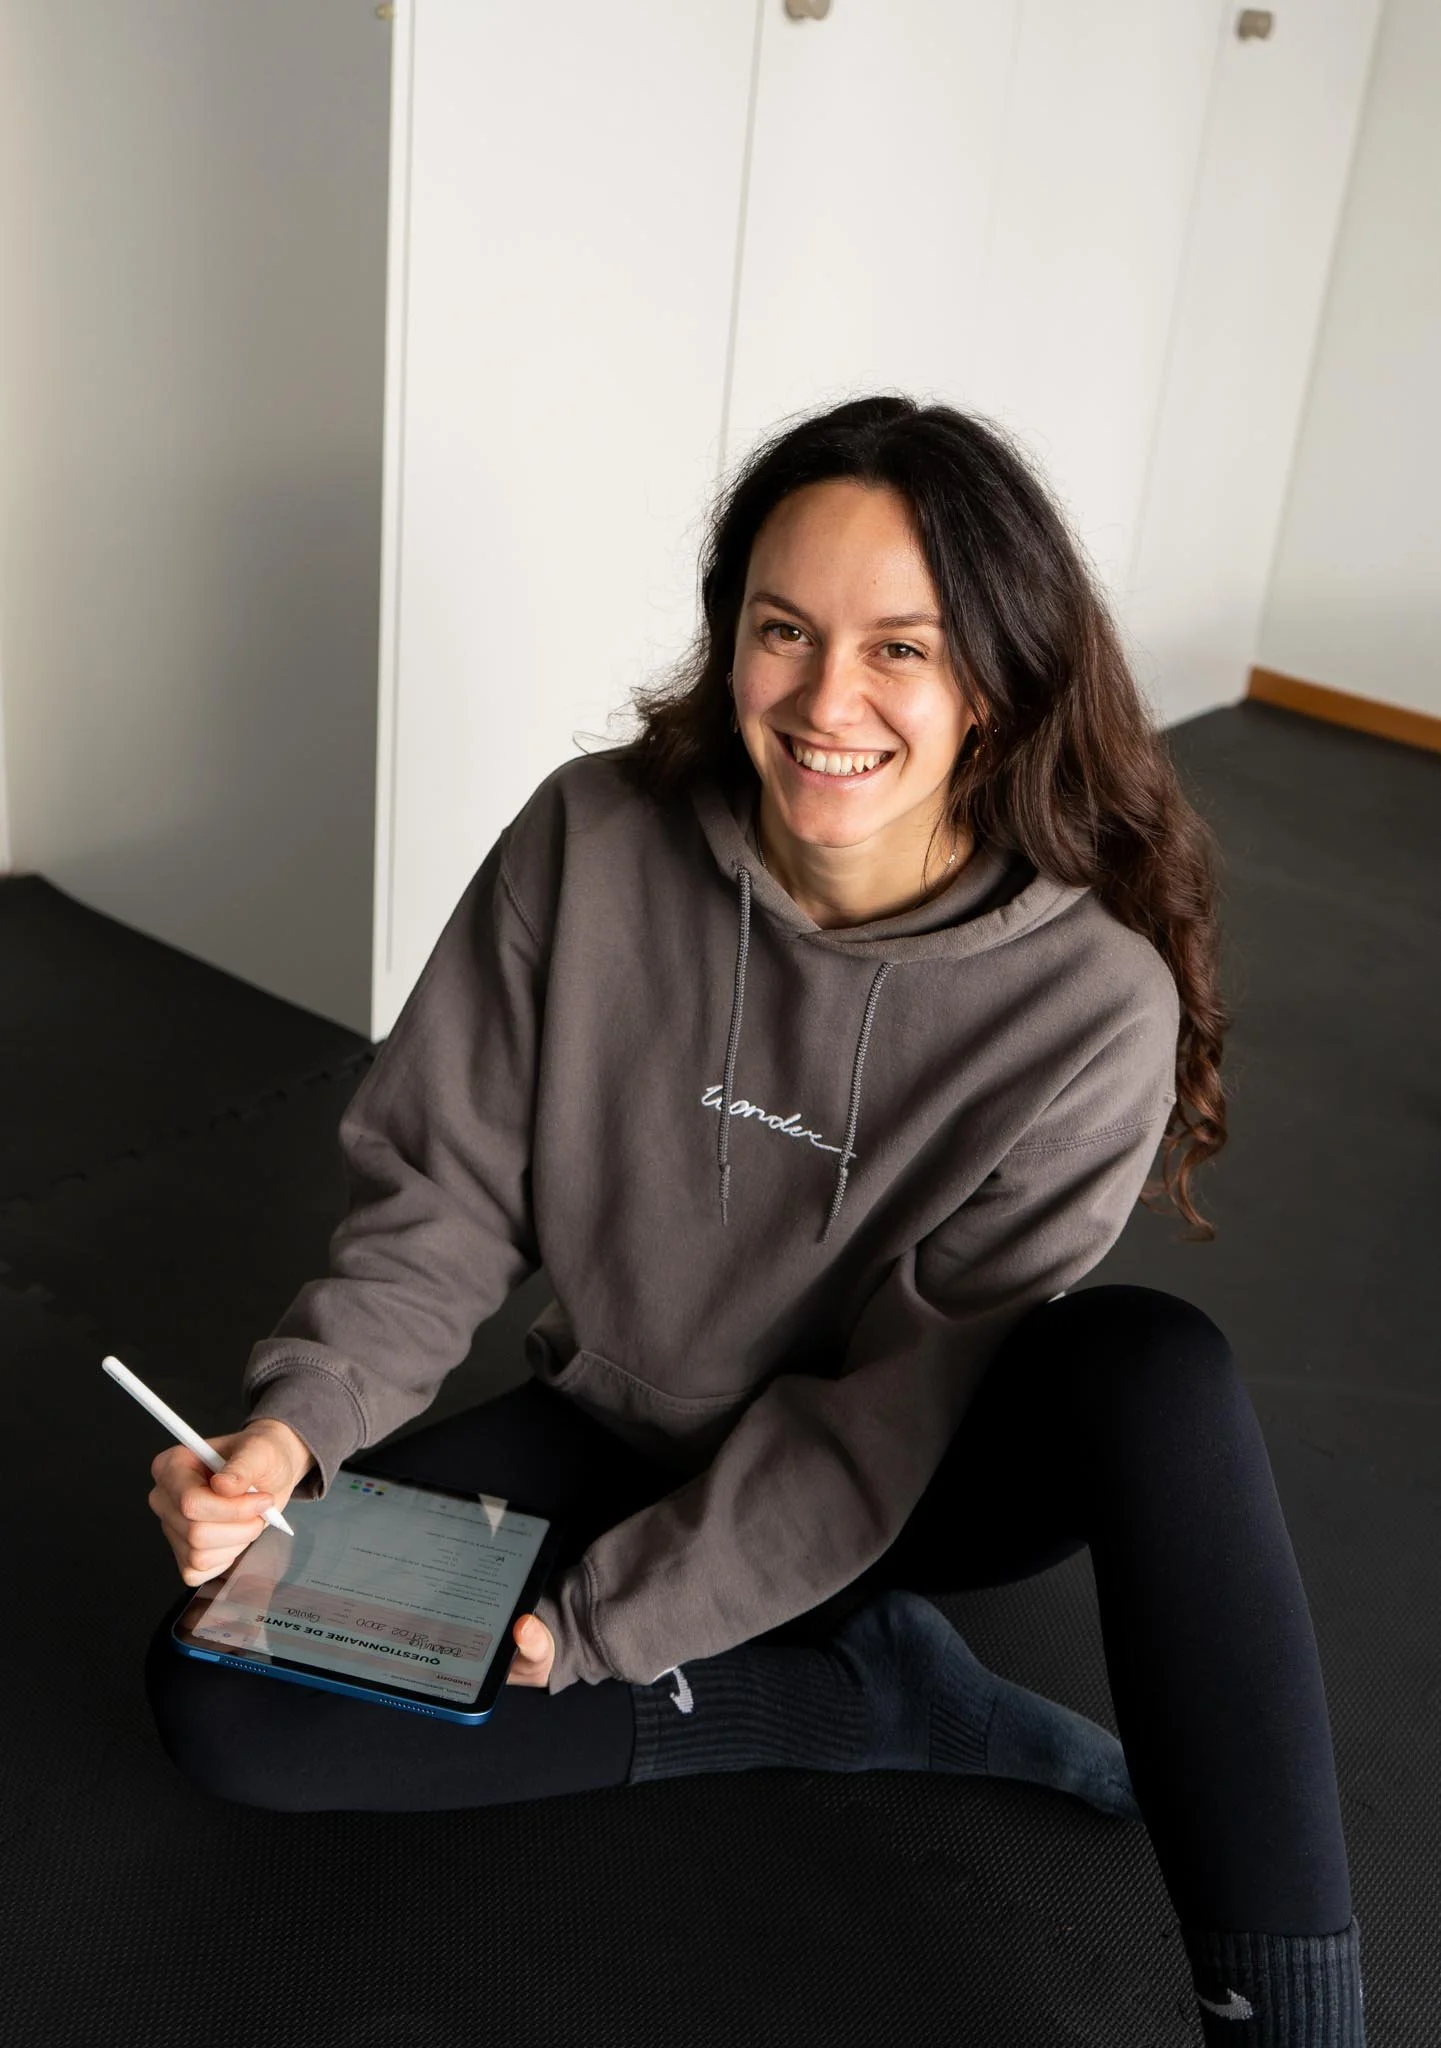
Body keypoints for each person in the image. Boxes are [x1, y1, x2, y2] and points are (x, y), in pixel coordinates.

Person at [144, 397, 1364, 2043]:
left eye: (901, 650)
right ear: (733, 641)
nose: (825, 700)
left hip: (915, 1479)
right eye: (783, 632)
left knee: (1153, 1365)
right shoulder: (594, 836)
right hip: (618, 1431)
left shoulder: (1091, 1007)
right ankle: (830, 1698)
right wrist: (294, 1440)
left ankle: (1287, 2019)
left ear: (994, 685)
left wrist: (597, 1627)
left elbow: (880, 1424)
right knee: (229, 1673)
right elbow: (437, 1197)